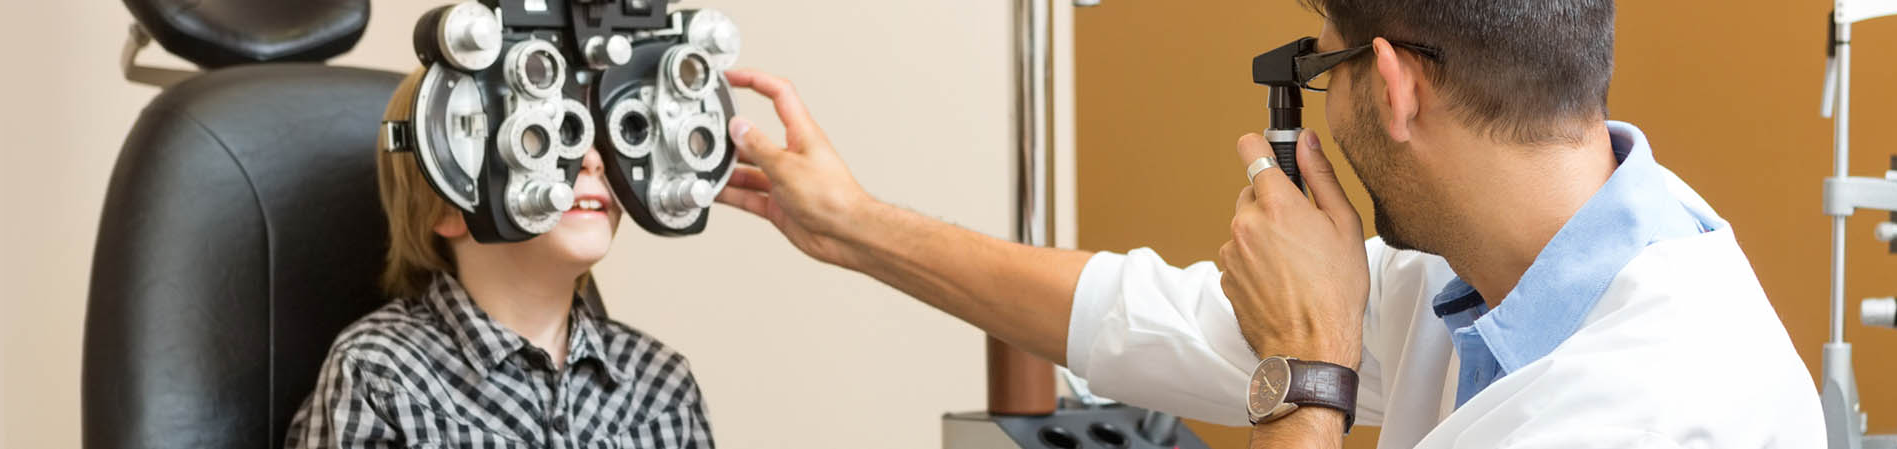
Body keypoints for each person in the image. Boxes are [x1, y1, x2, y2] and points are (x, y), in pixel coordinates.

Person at [713, 1, 1824, 447]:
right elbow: (1145, 315)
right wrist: (849, 223)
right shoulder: (1504, 277)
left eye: (1320, 68)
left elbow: (1294, 361)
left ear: (1388, 85)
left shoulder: (1642, 414)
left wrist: (1308, 368)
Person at [284, 77, 712, 448]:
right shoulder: (380, 375)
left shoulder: (663, 384)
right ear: (447, 204)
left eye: (597, 134)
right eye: (547, 136)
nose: (592, 159)